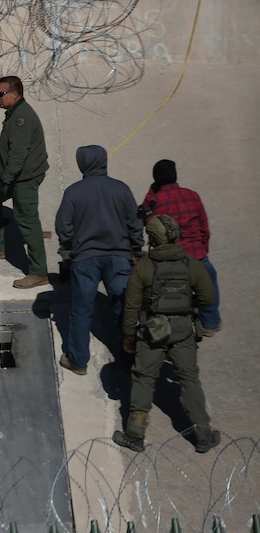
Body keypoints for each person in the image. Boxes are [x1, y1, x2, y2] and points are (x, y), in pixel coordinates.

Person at [113, 214, 220, 454]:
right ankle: (203, 434)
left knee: (144, 379)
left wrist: (129, 337)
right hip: (183, 330)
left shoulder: (143, 267)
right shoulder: (191, 265)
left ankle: (135, 434)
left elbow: (131, 307)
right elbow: (208, 298)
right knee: (189, 378)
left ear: (151, 238)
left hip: (153, 331)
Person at [54, 145, 144, 375]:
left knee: (81, 310)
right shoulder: (121, 189)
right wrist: (136, 248)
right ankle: (129, 358)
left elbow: (63, 226)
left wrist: (72, 246)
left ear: (82, 163)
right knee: (124, 308)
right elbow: (134, 223)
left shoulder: (74, 192)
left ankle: (78, 360)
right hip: (119, 258)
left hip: (85, 259)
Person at [0, 76, 50, 290]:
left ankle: (39, 271)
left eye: (0, 93)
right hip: (12, 173)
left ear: (14, 94)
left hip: (24, 177)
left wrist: (5, 182)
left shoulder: (21, 118)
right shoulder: (15, 113)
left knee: (27, 220)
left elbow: (18, 155)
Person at [139, 159, 221, 336]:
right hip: (196, 254)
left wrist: (151, 192)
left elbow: (146, 219)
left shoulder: (156, 200)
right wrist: (202, 251)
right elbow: (204, 228)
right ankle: (211, 322)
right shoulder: (193, 195)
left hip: (170, 257)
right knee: (210, 280)